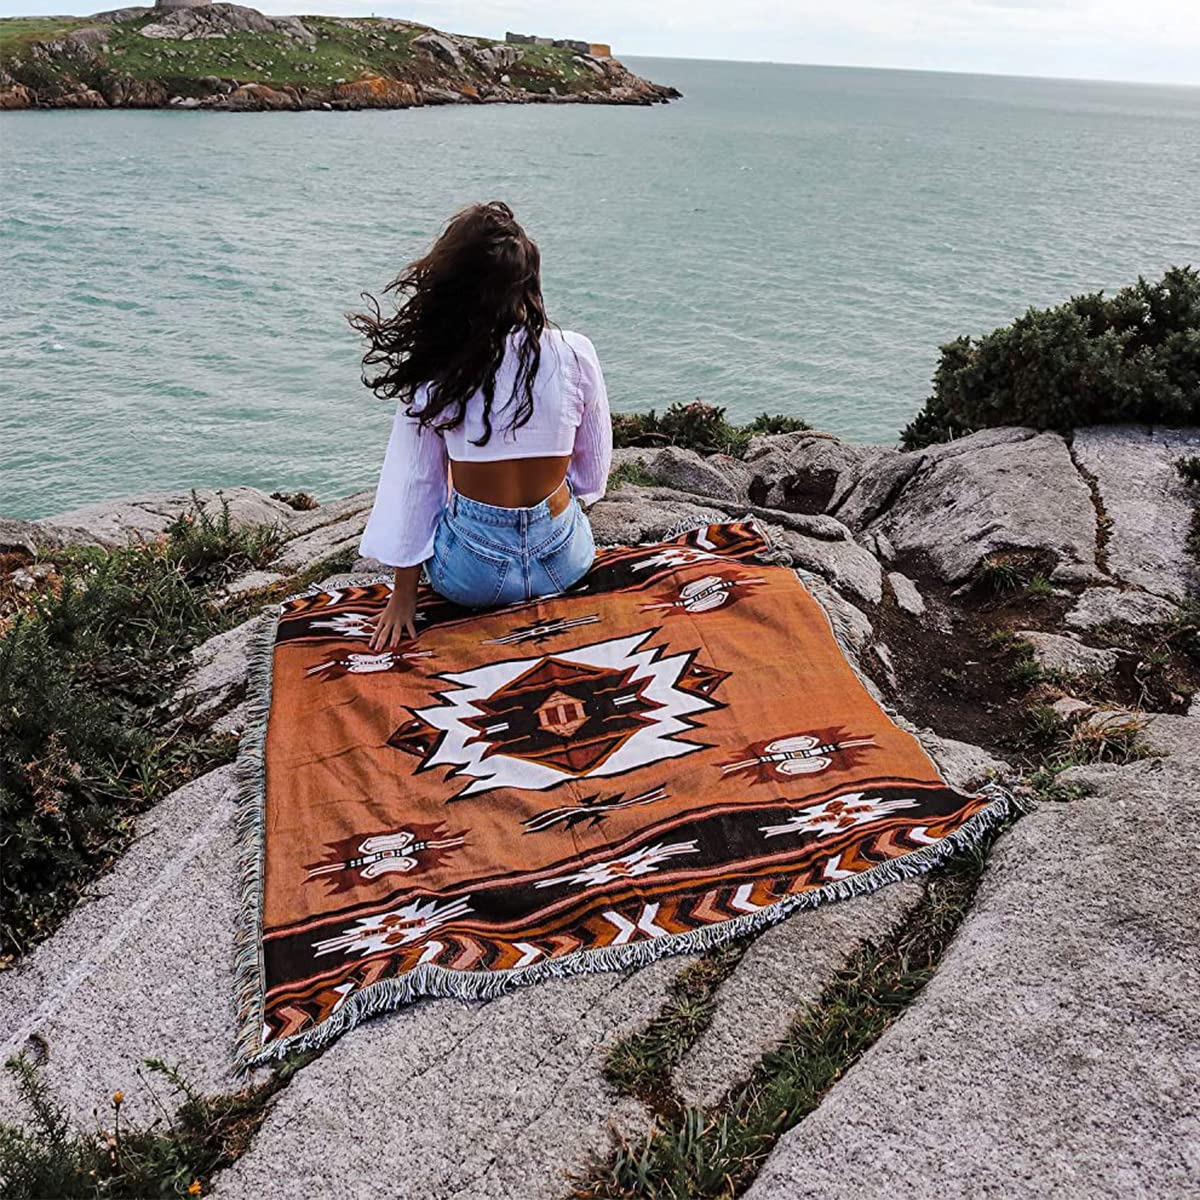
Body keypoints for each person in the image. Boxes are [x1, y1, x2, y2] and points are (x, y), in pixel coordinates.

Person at [350, 201, 612, 652]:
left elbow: (414, 488)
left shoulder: (438, 372)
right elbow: (592, 476)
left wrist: (403, 599)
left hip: (471, 577)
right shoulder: (575, 352)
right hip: (565, 563)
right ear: (528, 280)